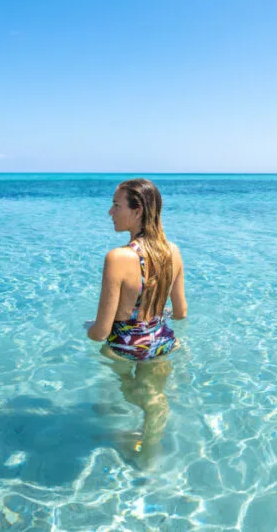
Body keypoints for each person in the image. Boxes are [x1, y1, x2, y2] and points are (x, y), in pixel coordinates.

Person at [86, 178, 187, 458]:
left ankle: (147, 438)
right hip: (163, 341)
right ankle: (149, 446)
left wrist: (87, 330)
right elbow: (180, 312)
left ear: (138, 209)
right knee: (153, 392)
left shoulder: (117, 257)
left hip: (127, 346)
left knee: (132, 391)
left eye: (116, 205)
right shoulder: (173, 251)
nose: (110, 212)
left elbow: (102, 332)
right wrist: (154, 319)